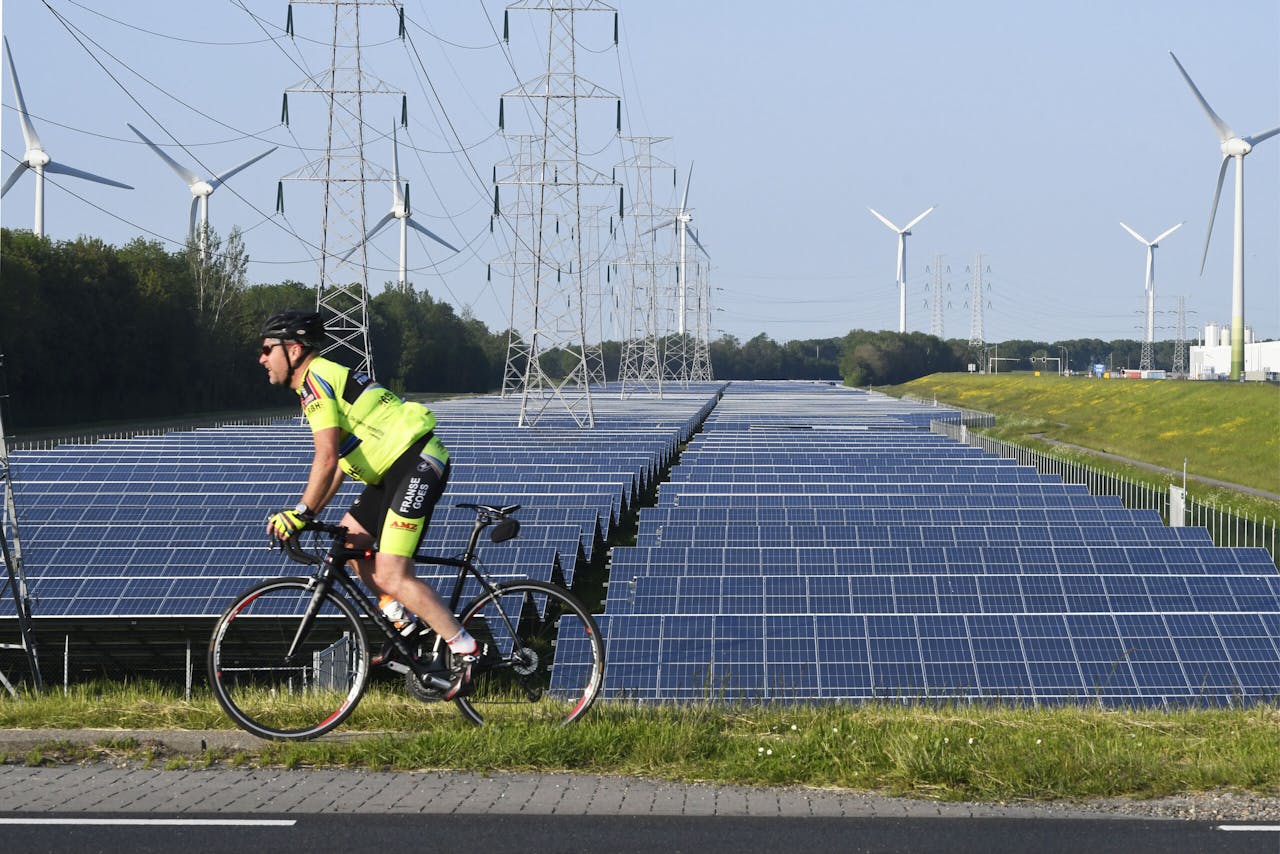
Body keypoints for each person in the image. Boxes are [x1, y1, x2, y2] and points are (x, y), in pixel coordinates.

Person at [258, 309, 479, 698]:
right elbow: (340, 467)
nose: (261, 358)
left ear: (292, 350)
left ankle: (464, 647)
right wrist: (309, 515)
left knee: (393, 573)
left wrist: (301, 513)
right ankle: (405, 626)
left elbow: (325, 458)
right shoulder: (318, 382)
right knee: (349, 545)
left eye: (266, 349)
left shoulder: (315, 381)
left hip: (415, 461)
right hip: (389, 471)